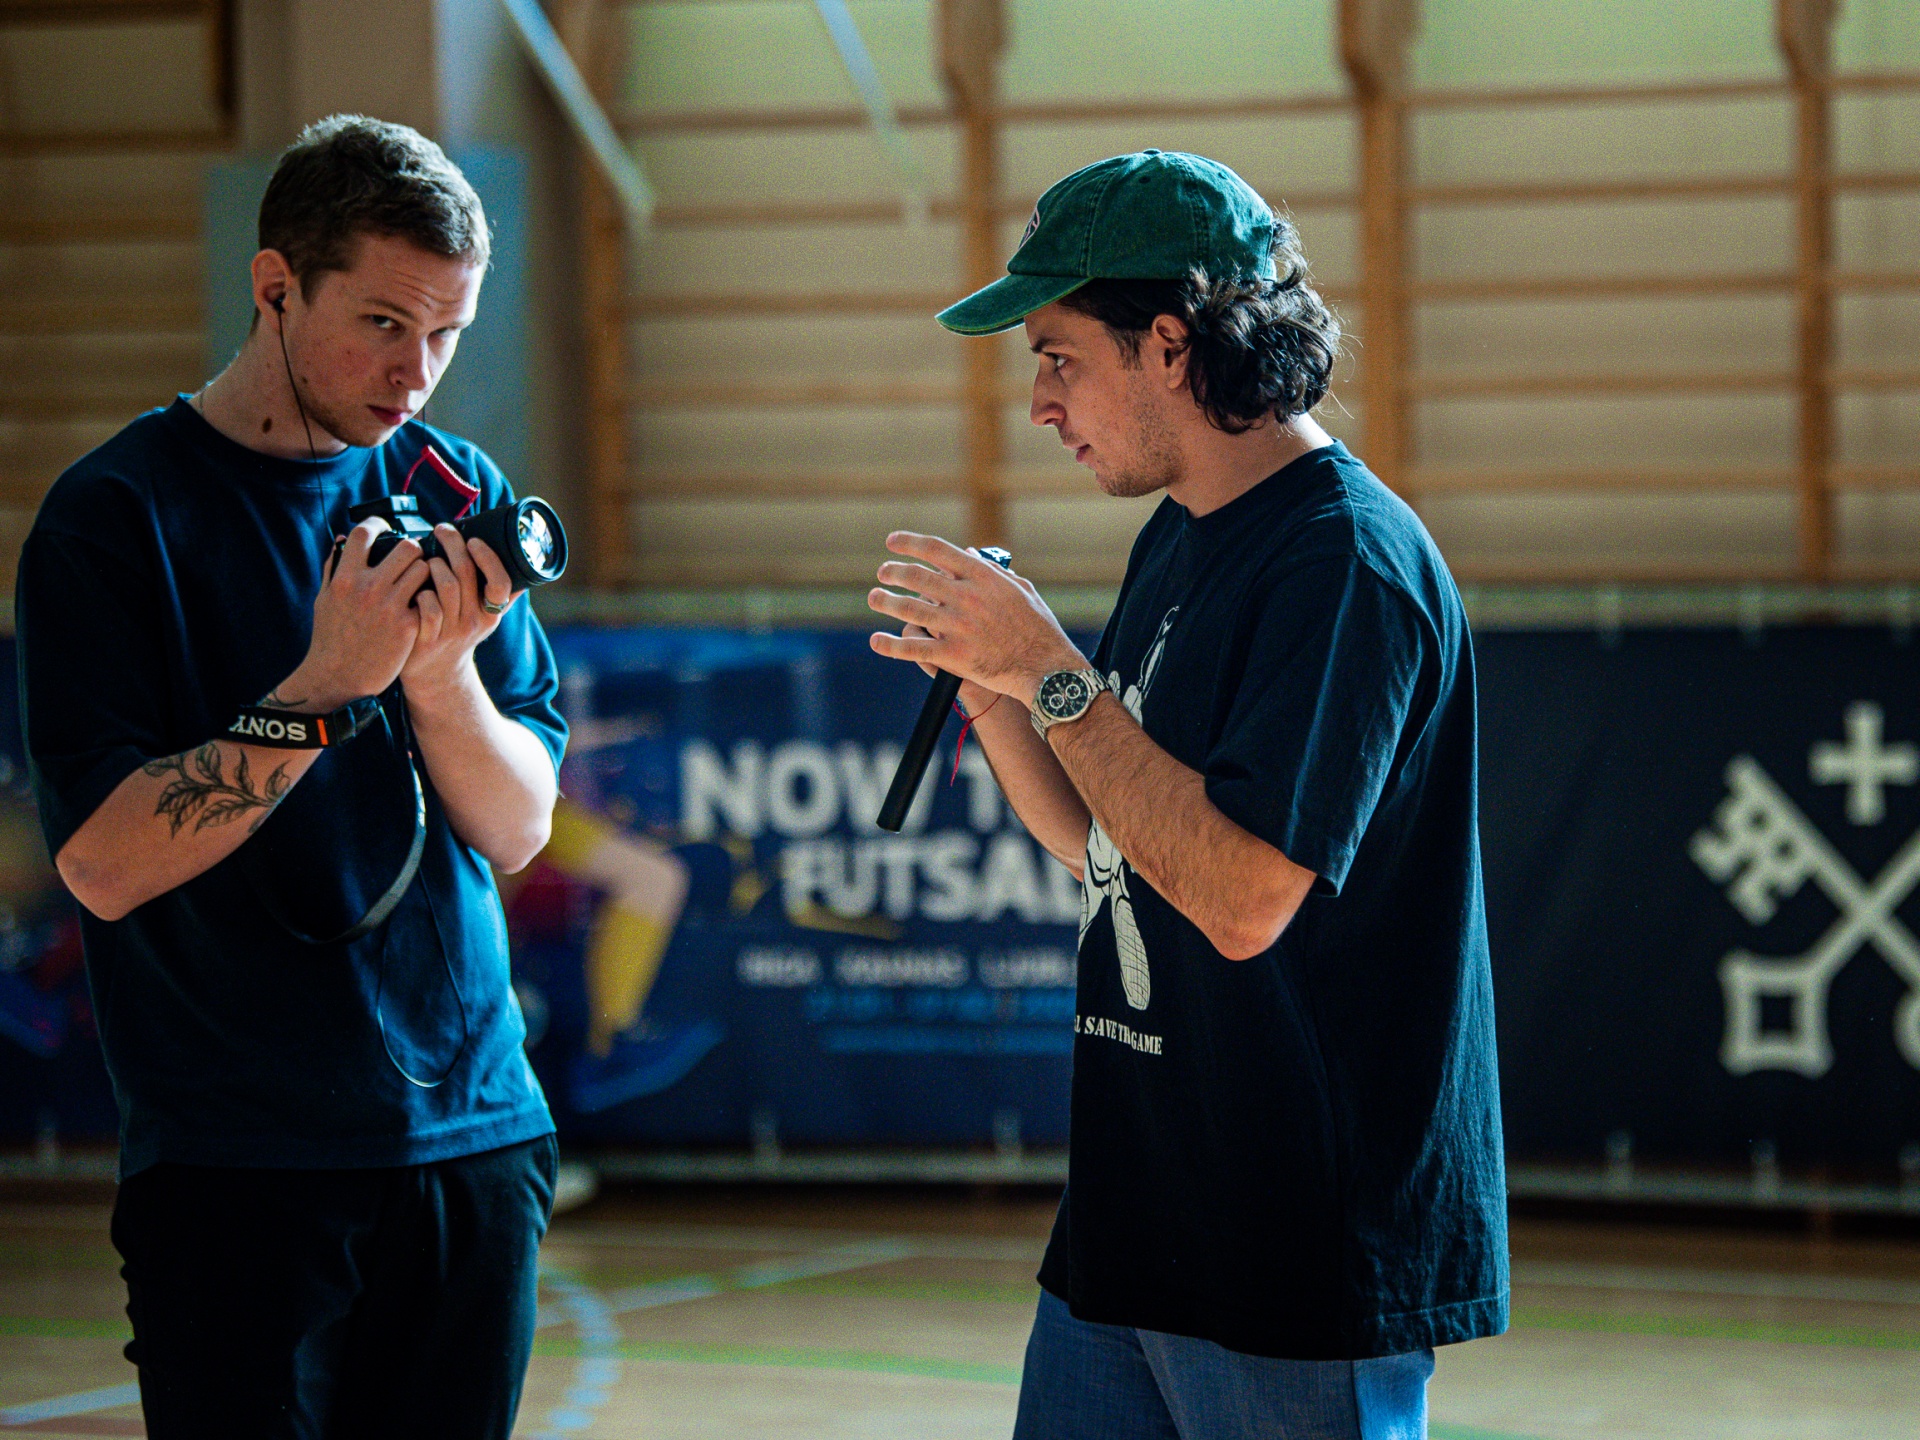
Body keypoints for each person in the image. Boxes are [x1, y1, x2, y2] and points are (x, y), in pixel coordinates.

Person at [866, 150, 1506, 1438]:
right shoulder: (1183, 532)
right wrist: (994, 688)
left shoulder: (1346, 565)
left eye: (1059, 358)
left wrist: (1051, 674)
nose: (1040, 404)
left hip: (1295, 1263)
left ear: (1169, 344)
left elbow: (1239, 897)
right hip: (1132, 1228)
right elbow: (1115, 851)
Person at [15, 115, 566, 1438]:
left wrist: (441, 674)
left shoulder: (452, 486)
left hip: (475, 1135)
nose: (416, 372)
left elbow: (518, 827)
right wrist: (321, 693)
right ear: (275, 287)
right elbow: (101, 864)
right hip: (236, 1159)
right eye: (382, 323)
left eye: (447, 334)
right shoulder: (117, 520)